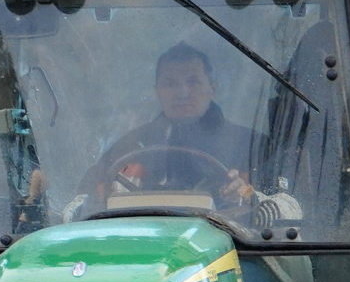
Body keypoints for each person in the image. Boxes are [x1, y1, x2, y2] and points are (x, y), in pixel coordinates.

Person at [75, 42, 259, 211]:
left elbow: (280, 206)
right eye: (170, 83)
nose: (182, 93)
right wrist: (108, 194)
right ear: (157, 91)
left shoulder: (250, 148)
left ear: (212, 88)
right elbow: (80, 206)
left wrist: (246, 196)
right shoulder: (127, 148)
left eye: (193, 82)